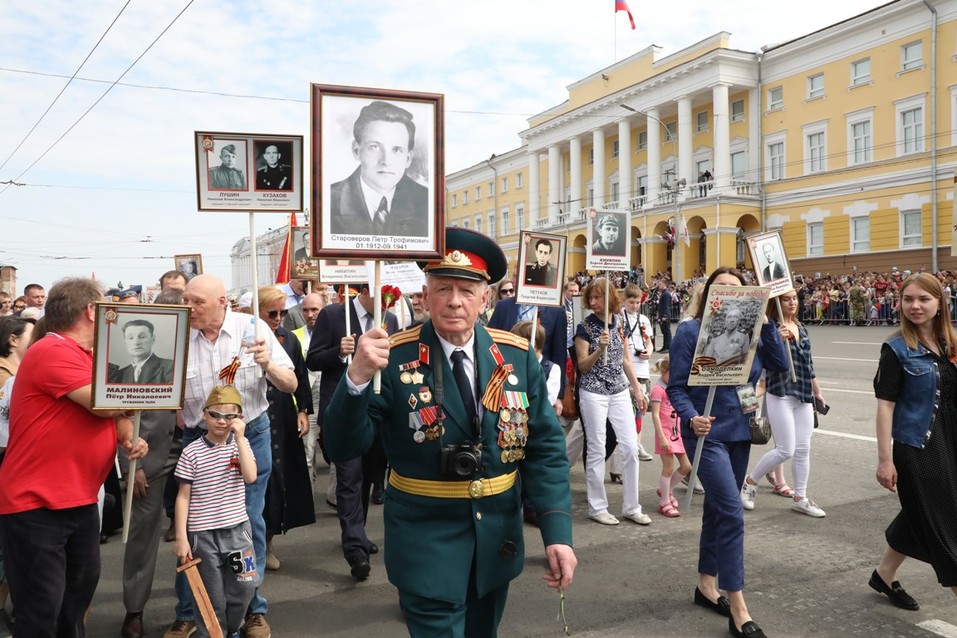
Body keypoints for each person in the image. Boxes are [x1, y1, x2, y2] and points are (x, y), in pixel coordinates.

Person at [323, 227, 576, 636]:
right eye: (442, 289)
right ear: (425, 296)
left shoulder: (514, 355)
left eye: (466, 289)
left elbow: (545, 449)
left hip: (496, 539)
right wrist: (356, 377)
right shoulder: (393, 356)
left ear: (484, 299)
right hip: (426, 541)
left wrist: (557, 533)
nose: (454, 301)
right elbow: (342, 445)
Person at [0, 278, 147, 638]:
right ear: (91, 312)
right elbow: (104, 405)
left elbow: (118, 415)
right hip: (37, 503)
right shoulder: (52, 350)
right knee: (41, 611)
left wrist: (128, 435)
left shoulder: (88, 355)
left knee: (74, 603)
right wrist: (151, 390)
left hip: (79, 497)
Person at [165, 274, 296, 638]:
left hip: (248, 436)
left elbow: (291, 383)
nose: (188, 308)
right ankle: (190, 611)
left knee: (247, 524)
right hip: (198, 441)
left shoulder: (251, 329)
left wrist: (268, 364)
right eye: (186, 301)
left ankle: (252, 607)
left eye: (197, 302)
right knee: (194, 527)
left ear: (222, 301)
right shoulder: (177, 335)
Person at [667, 267, 788, 638]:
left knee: (718, 510)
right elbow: (676, 388)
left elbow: (782, 367)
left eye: (738, 290)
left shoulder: (756, 332)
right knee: (733, 512)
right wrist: (690, 419)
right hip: (706, 434)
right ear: (708, 295)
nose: (730, 294)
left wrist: (767, 322)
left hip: (739, 430)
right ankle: (739, 607)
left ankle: (707, 584)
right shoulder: (689, 332)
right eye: (721, 288)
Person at [869, 273, 957, 612]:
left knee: (923, 513)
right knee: (945, 528)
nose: (915, 306)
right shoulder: (895, 349)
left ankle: (884, 574)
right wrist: (884, 459)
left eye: (924, 299)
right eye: (908, 299)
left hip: (950, 442)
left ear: (939, 304)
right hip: (917, 448)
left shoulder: (951, 344)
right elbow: (885, 405)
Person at [306, 284, 398, 581]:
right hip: (343, 413)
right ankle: (355, 548)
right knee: (349, 478)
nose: (388, 303)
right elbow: (313, 358)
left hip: (377, 413)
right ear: (367, 291)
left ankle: (358, 531)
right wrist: (339, 351)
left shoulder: (391, 320)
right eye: (384, 297)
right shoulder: (334, 315)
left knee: (369, 477)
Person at [118, 289, 187, 638]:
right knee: (142, 536)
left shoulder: (203, 347)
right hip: (148, 456)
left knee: (198, 531)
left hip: (195, 448)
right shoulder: (126, 365)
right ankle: (134, 610)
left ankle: (192, 608)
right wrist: (133, 466)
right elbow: (118, 411)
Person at [174, 384, 258, 638]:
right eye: (215, 415)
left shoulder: (239, 446)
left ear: (240, 419)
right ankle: (213, 634)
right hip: (204, 535)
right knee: (210, 597)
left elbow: (251, 476)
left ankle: (230, 629)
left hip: (237, 532)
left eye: (230, 416)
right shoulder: (192, 452)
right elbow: (183, 497)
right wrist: (181, 537)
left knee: (246, 586)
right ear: (204, 415)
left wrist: (241, 438)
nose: (222, 421)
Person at [741, 290, 827, 518]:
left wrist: (817, 393)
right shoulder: (771, 328)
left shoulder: (802, 327)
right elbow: (764, 364)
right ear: (777, 303)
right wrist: (774, 338)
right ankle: (750, 483)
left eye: (795, 298)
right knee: (785, 449)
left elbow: (809, 365)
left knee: (803, 448)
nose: (792, 302)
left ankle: (800, 497)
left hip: (803, 395)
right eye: (786, 299)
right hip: (780, 393)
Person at [575, 277, 650, 527]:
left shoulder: (618, 323)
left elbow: (626, 360)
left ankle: (632, 506)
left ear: (609, 299)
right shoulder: (584, 327)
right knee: (597, 448)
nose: (593, 302)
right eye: (591, 298)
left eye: (598, 297)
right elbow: (582, 366)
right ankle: (597, 507)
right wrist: (599, 349)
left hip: (618, 390)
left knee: (630, 447)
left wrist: (637, 389)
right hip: (593, 392)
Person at [256, 286, 315, 572]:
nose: (278, 318)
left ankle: (268, 542)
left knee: (280, 479)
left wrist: (303, 410)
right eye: (272, 313)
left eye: (282, 312)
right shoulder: (247, 338)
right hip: (254, 417)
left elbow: (300, 377)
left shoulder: (289, 339)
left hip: (282, 413)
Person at [329, 100, 429, 238]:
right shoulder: (329, 200)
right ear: (356, 150)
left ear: (408, 158)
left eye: (397, 150)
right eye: (374, 147)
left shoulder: (426, 201)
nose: (386, 161)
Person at [650, 355, 691, 517]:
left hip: (677, 433)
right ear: (663, 371)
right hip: (665, 434)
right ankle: (664, 502)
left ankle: (666, 491)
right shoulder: (658, 390)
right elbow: (655, 415)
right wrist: (661, 437)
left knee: (687, 466)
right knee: (668, 467)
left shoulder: (675, 388)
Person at [292, 292, 326, 482]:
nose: (310, 314)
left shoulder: (339, 332)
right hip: (308, 402)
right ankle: (308, 503)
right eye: (305, 310)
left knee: (338, 454)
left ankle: (335, 498)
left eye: (315, 309)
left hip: (330, 397)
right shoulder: (295, 336)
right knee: (307, 451)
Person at [109, 319, 175, 385]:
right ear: (125, 342)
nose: (136, 342)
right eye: (131, 338)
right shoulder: (121, 374)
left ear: (153, 339)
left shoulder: (171, 366)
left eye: (142, 337)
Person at [656, 278, 673, 353]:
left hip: (665, 315)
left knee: (667, 331)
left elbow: (666, 306)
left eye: (660, 284)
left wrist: (665, 316)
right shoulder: (663, 293)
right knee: (664, 331)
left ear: (664, 284)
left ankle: (668, 347)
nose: (658, 286)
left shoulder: (666, 293)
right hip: (662, 314)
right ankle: (664, 346)